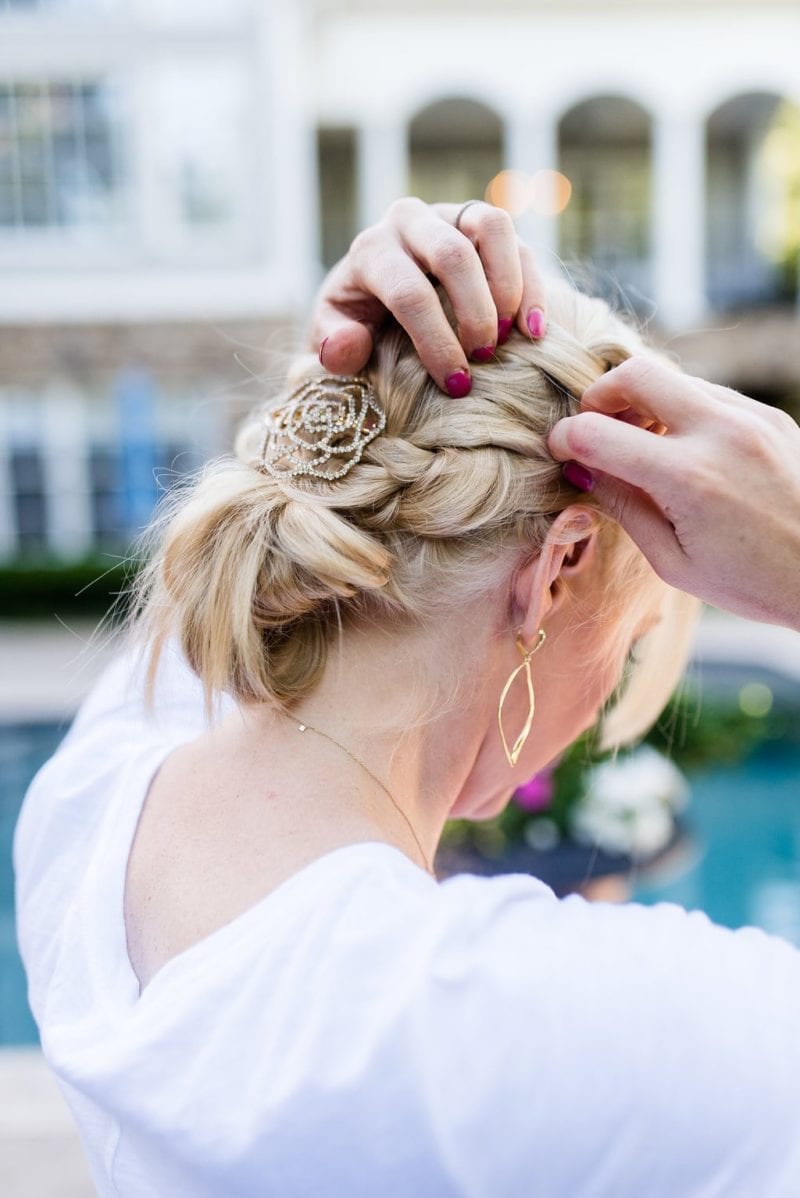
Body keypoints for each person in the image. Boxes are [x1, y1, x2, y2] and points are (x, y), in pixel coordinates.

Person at [14, 201, 800, 1198]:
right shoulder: (599, 1037)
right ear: (554, 571)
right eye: (631, 638)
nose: (607, 694)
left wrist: (337, 388)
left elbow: (222, 578)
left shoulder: (87, 807)